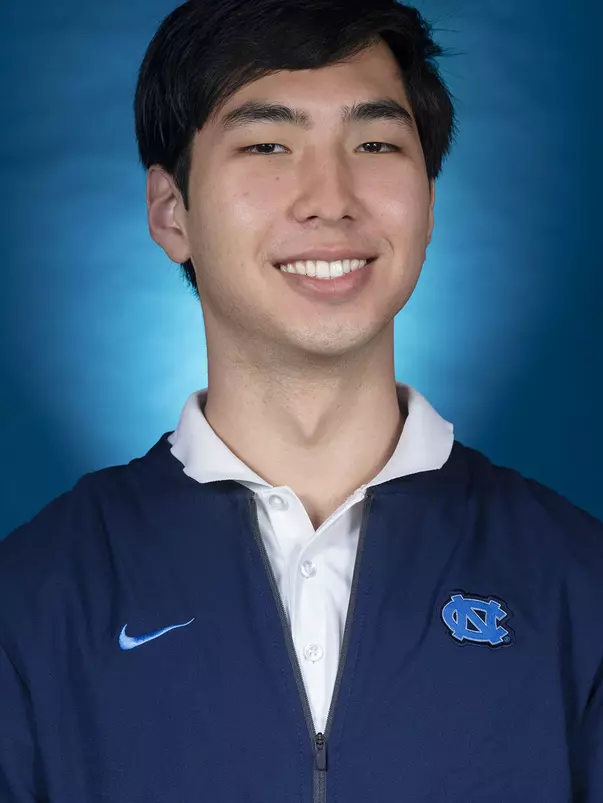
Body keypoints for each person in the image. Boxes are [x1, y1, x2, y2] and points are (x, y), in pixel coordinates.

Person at [1, 0, 602, 800]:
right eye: (268, 144)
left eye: (375, 143)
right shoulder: (33, 599)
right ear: (170, 212)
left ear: (428, 203)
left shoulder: (578, 584)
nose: (329, 198)